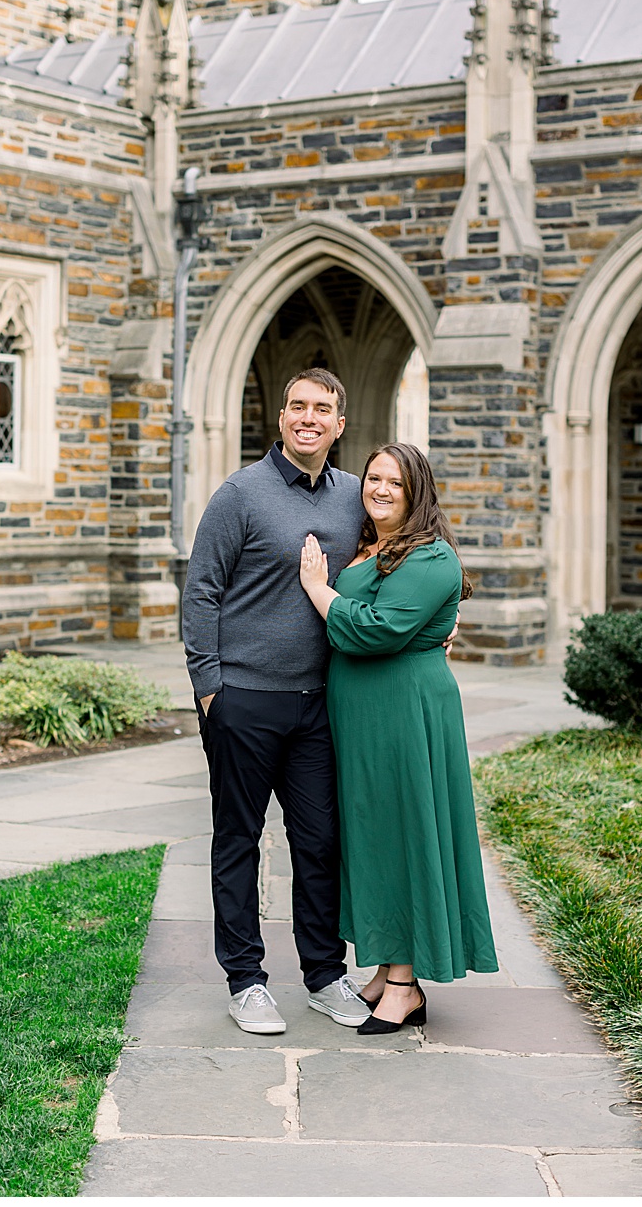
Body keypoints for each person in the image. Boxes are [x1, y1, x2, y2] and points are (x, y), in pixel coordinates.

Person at [183, 367, 373, 1035]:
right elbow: (201, 590)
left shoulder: (355, 497)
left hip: (319, 703)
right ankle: (246, 981)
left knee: (320, 844)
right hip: (243, 700)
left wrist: (446, 610)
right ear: (282, 416)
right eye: (297, 406)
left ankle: (324, 975)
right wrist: (210, 688)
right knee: (239, 840)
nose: (307, 417)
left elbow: (399, 555)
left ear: (338, 424)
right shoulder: (241, 494)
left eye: (321, 408)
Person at [297, 441, 498, 1034]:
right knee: (373, 836)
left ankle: (407, 985)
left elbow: (379, 632)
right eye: (374, 478)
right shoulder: (371, 545)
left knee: (405, 834)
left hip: (405, 713)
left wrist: (319, 590)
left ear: (417, 493)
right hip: (361, 716)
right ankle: (387, 967)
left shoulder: (431, 556)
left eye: (396, 482)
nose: (380, 489)